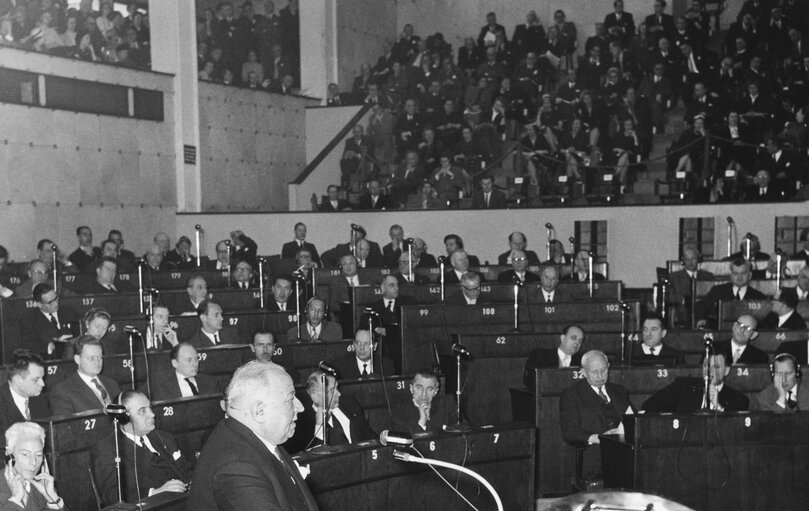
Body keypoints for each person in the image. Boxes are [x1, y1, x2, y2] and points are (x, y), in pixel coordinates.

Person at [187, 362, 318, 511]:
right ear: (259, 411)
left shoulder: (255, 438)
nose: (300, 407)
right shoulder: (236, 467)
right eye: (290, 400)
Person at [92, 391, 193, 505]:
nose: (152, 414)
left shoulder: (164, 437)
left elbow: (187, 470)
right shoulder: (107, 448)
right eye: (142, 411)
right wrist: (154, 492)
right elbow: (110, 494)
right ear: (124, 418)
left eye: (150, 408)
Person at [559, 350, 633, 479]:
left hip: (624, 453)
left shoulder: (619, 391)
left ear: (608, 366)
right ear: (584, 372)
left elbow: (632, 420)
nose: (600, 376)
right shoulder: (572, 394)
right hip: (594, 454)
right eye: (594, 372)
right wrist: (598, 438)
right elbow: (569, 431)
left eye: (604, 370)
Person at [291, 370, 376, 452]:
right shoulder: (304, 422)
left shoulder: (350, 404)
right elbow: (311, 455)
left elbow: (370, 435)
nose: (339, 394)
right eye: (332, 390)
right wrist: (319, 425)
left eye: (337, 388)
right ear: (315, 396)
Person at [642, 352, 749, 412]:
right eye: (706, 365)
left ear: (727, 370)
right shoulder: (682, 386)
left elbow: (735, 430)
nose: (710, 370)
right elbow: (649, 405)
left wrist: (719, 407)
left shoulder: (739, 399)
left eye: (716, 366)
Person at [1, 422, 66, 510]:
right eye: (25, 454)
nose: (34, 462)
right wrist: (15, 499)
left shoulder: (43, 486)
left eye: (38, 455)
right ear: (9, 456)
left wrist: (52, 498)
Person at [49, 336, 121, 415]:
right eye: (91, 358)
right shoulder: (63, 391)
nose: (97, 362)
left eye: (100, 357)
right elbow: (65, 425)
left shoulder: (112, 384)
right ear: (77, 359)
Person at [0, 351, 50, 451]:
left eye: (42, 378)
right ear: (18, 380)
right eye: (36, 379)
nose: (43, 384)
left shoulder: (40, 399)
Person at [696, 258, 766, 328]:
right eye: (736, 273)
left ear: (750, 275)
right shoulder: (717, 291)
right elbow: (702, 307)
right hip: (719, 333)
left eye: (743, 273)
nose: (739, 277)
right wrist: (701, 319)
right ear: (731, 275)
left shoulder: (758, 297)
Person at [387, 369, 458, 434]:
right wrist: (422, 423)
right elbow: (409, 446)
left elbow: (464, 431)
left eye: (429, 389)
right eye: (419, 388)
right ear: (411, 389)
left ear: (435, 392)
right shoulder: (400, 414)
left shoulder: (447, 404)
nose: (424, 393)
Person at [18, 282, 77, 358]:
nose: (56, 304)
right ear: (39, 304)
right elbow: (28, 345)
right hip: (47, 360)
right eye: (51, 302)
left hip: (71, 358)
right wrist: (50, 346)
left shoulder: (69, 311)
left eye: (56, 299)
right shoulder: (29, 319)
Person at [149, 343, 220, 401]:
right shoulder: (159, 383)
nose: (194, 363)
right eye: (189, 360)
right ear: (175, 363)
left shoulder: (210, 382)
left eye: (196, 359)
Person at [667, 248, 714, 327]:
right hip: (682, 314)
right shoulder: (674, 277)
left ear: (698, 259)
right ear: (683, 261)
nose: (690, 262)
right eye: (687, 259)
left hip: (703, 315)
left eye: (693, 258)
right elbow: (670, 296)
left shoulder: (708, 276)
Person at [330, 329, 395, 379]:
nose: (361, 347)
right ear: (353, 345)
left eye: (366, 343)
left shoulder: (386, 366)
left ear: (375, 346)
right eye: (358, 343)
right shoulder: (339, 366)